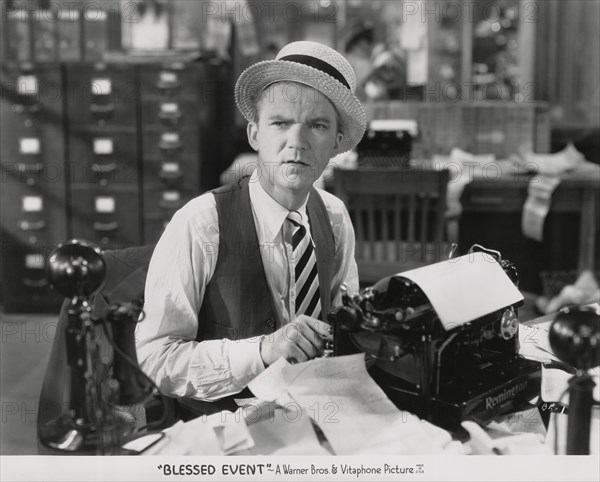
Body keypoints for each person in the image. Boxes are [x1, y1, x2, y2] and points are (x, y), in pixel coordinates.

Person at [136, 41, 367, 416]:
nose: (296, 142)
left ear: (338, 142)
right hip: (224, 429)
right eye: (280, 123)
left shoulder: (335, 217)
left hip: (313, 416)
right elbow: (156, 359)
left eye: (318, 126)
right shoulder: (200, 223)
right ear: (255, 134)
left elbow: (344, 320)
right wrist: (263, 350)